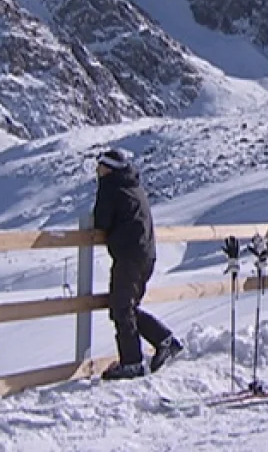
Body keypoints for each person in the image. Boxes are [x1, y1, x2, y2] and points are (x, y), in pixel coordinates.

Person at [93, 149, 183, 380]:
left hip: (129, 256)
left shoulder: (111, 187)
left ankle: (132, 362)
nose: (97, 170)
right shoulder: (133, 185)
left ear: (109, 168)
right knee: (127, 308)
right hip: (145, 254)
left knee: (122, 309)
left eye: (100, 166)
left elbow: (100, 221)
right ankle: (164, 341)